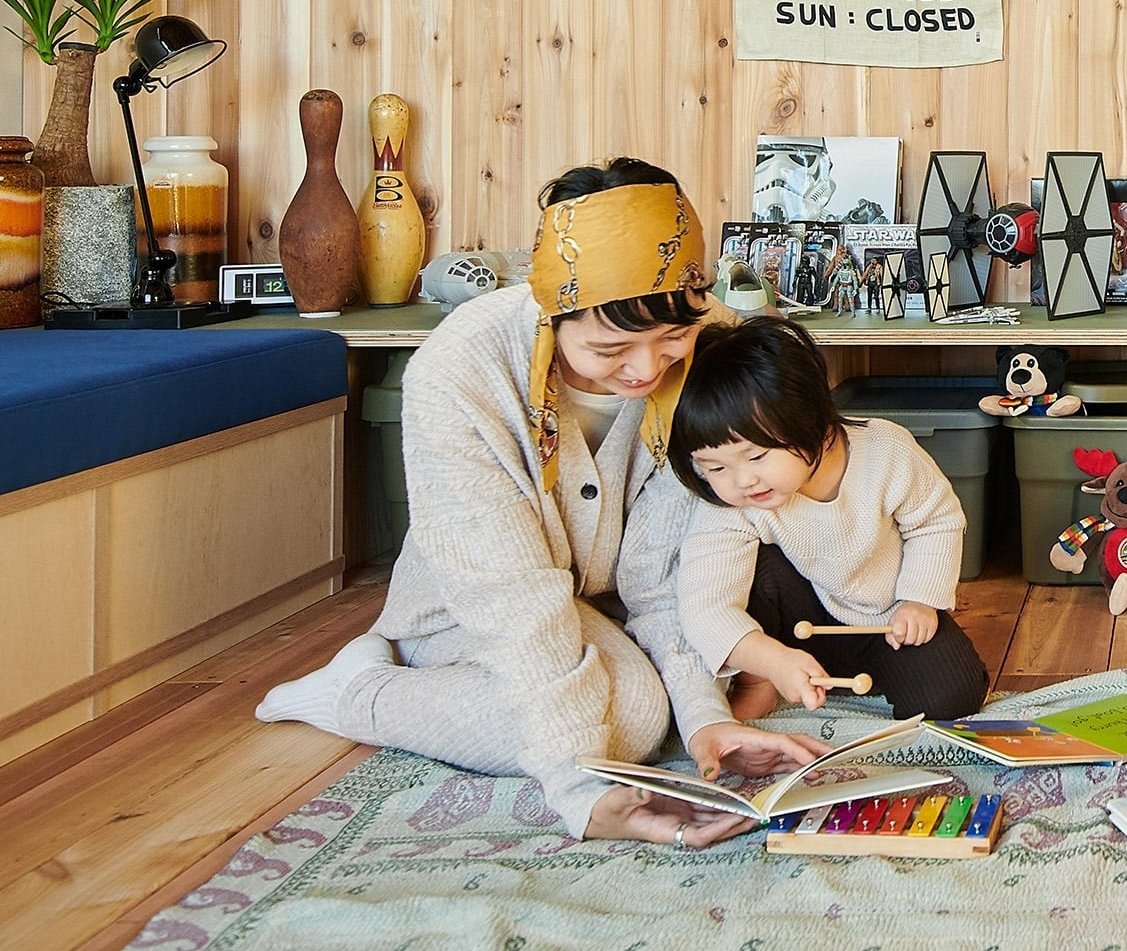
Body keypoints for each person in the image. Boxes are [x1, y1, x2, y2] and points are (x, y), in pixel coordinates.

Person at [256, 159, 828, 849]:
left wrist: (707, 721)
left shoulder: (713, 348)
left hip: (603, 608)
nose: (646, 370)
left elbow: (665, 580)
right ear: (554, 314)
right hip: (469, 607)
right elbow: (514, 601)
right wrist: (580, 786)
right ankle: (357, 692)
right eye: (610, 349)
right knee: (632, 721)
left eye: (670, 340)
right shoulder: (461, 369)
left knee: (651, 713)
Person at [665, 316, 989, 722]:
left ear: (808, 418)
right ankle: (758, 681)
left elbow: (936, 521)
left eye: (757, 456)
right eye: (714, 467)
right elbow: (706, 604)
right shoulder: (732, 501)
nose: (742, 481)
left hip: (886, 620)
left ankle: (882, 665)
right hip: (793, 627)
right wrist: (770, 660)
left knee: (953, 697)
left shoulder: (885, 450)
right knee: (756, 567)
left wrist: (920, 600)